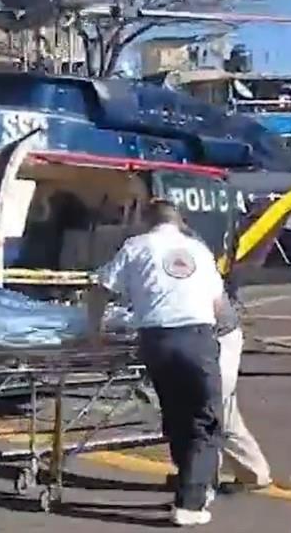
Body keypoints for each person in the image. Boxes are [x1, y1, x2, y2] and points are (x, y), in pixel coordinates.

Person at [94, 199, 224, 527]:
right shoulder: (199, 250)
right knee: (205, 420)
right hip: (196, 337)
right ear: (180, 221)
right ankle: (191, 502)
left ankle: (188, 481)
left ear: (148, 220)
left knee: (177, 414)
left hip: (156, 340)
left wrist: (93, 332)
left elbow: (99, 289)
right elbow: (218, 303)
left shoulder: (136, 246)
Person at [213, 256, 273, 494]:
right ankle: (200, 474)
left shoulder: (181, 257)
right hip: (213, 335)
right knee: (210, 410)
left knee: (219, 408)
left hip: (216, 337)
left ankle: (254, 473)